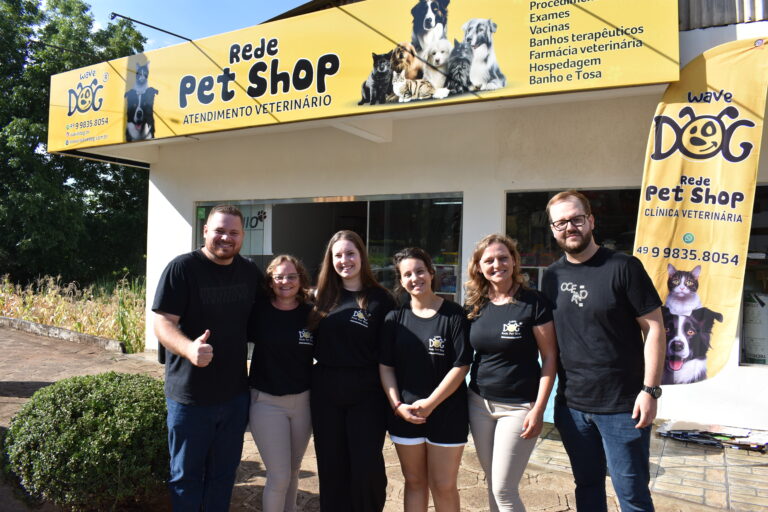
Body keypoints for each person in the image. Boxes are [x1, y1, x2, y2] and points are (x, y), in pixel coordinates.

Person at [541, 190, 665, 512]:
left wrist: (650, 391)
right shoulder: (551, 276)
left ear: (591, 221)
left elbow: (654, 329)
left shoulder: (624, 267)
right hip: (572, 407)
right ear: (553, 229)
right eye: (560, 223)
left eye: (576, 219)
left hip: (623, 407)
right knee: (587, 488)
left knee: (633, 496)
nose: (570, 227)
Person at [152, 204, 265, 510]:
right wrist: (189, 348)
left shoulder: (249, 271)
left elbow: (275, 307)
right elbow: (163, 323)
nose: (226, 238)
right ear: (205, 231)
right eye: (219, 230)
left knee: (223, 475)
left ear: (242, 236)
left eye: (233, 232)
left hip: (234, 395)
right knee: (185, 477)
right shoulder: (182, 268)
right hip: (190, 398)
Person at [464, 234, 557, 511]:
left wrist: (538, 409)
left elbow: (549, 357)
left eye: (503, 258)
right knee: (493, 484)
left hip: (518, 408)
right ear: (479, 267)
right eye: (489, 260)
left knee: (504, 490)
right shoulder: (475, 304)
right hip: (478, 404)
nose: (497, 265)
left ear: (514, 261)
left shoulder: (533, 302)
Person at [379, 247, 472, 512]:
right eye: (407, 274)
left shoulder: (454, 315)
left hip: (447, 413)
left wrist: (431, 403)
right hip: (405, 414)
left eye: (420, 271)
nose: (415, 278)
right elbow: (386, 367)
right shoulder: (394, 319)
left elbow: (461, 366)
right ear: (401, 280)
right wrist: (397, 405)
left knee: (443, 485)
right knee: (415, 482)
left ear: (431, 273)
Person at [310, 230, 396, 512]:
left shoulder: (381, 299)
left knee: (366, 467)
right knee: (331, 465)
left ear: (361, 256)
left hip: (367, 394)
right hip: (326, 392)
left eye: (350, 253)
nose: (344, 260)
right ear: (330, 260)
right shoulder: (320, 297)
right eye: (338, 255)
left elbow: (391, 353)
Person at [248, 255, 314, 512]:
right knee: (279, 476)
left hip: (303, 404)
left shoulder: (311, 314)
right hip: (267, 403)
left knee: (294, 470)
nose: (285, 282)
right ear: (270, 281)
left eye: (291, 276)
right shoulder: (259, 312)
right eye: (279, 277)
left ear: (300, 279)